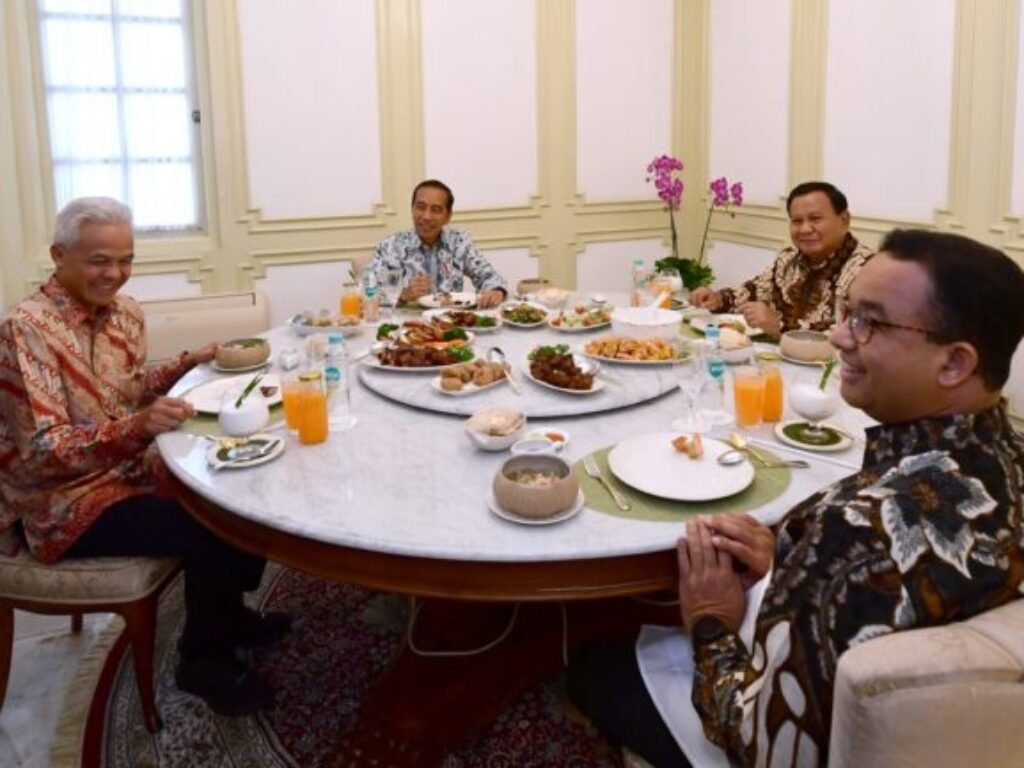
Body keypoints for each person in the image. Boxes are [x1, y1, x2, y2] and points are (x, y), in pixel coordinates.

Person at [567, 229, 1024, 767]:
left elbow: (762, 745)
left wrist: (711, 620)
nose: (837, 336)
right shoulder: (1007, 461)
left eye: (867, 322)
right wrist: (794, 565)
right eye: (847, 313)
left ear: (954, 364)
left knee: (593, 665)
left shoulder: (853, 529)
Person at [0, 197, 290, 717]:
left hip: (127, 469)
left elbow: (127, 391)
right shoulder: (27, 330)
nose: (115, 274)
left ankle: (229, 613)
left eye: (125, 260)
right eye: (99, 260)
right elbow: (44, 450)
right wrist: (137, 428)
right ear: (58, 256)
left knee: (242, 481)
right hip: (61, 500)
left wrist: (186, 364)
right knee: (208, 524)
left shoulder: (126, 314)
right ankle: (202, 660)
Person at [690, 181, 874, 338]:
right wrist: (717, 299)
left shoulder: (870, 271)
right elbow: (752, 291)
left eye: (815, 219)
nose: (805, 229)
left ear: (844, 220)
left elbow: (855, 334)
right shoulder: (788, 260)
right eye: (796, 221)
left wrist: (780, 326)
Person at [368, 179, 508, 308]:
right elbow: (368, 292)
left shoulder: (459, 242)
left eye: (435, 210)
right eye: (420, 207)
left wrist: (496, 291)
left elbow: (489, 276)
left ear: (448, 217)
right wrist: (403, 294)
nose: (426, 216)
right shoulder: (391, 246)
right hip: (407, 326)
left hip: (451, 325)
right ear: (412, 209)